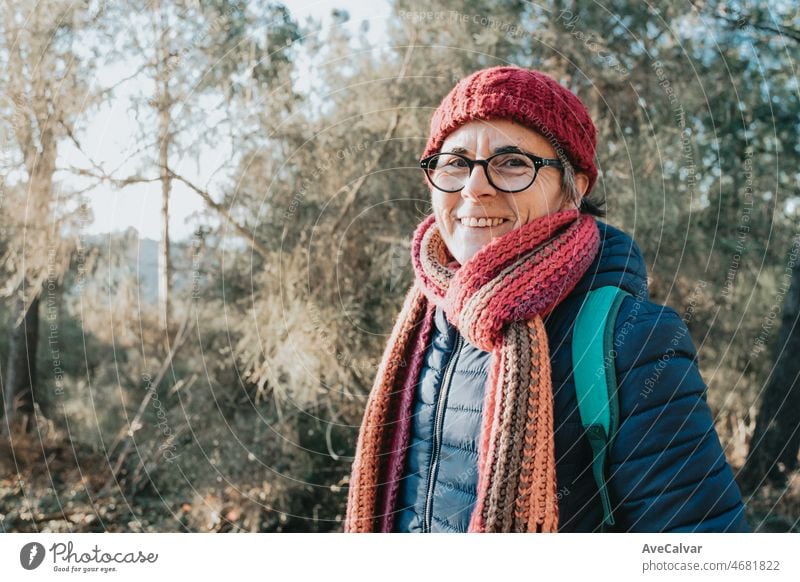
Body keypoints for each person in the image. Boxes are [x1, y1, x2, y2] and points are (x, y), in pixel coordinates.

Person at [344, 65, 750, 533]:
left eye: (513, 162)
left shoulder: (633, 339)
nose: (475, 187)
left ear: (573, 187)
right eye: (454, 163)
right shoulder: (424, 322)